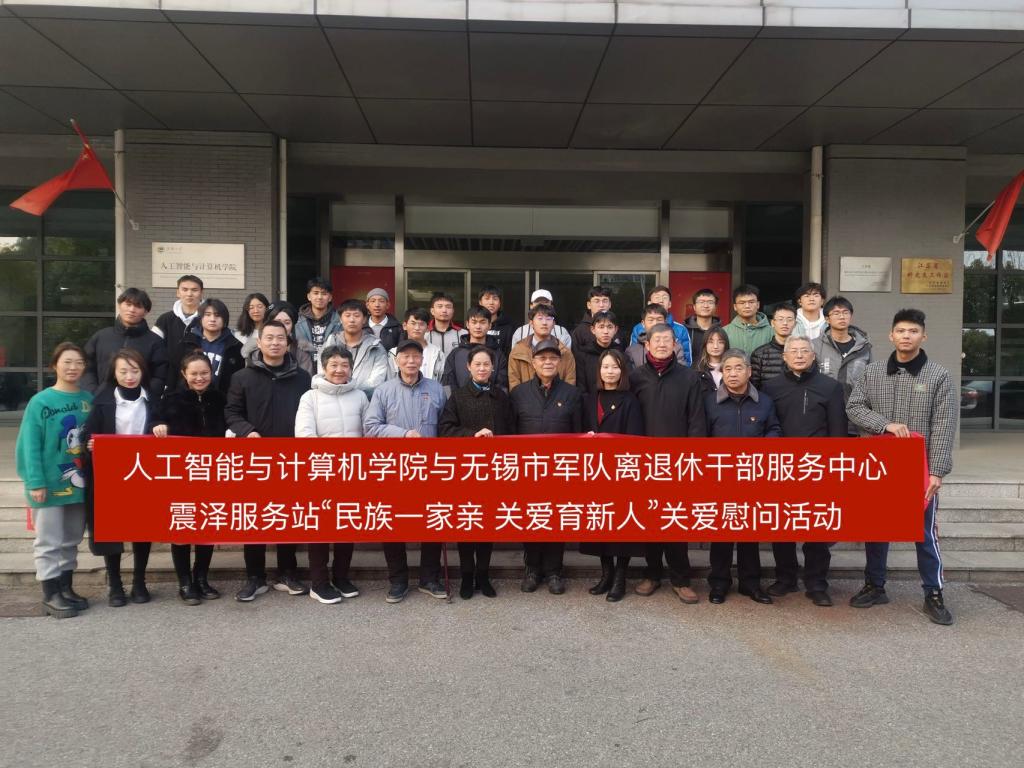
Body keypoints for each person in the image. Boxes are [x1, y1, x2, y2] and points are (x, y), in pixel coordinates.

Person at [846, 308, 958, 625]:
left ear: (923, 336)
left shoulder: (938, 376)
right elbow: (854, 407)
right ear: (891, 335)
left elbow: (944, 425)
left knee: (924, 533)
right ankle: (875, 585)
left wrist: (937, 471)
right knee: (876, 528)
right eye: (901, 331)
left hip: (918, 468)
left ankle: (933, 593)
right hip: (879, 465)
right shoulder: (873, 372)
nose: (906, 336)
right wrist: (885, 425)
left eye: (913, 331)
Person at [226, 320, 313, 602]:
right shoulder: (242, 377)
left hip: (291, 459)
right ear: (259, 342)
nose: (275, 343)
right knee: (254, 516)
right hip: (255, 459)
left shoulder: (302, 378)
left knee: (287, 515)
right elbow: (232, 413)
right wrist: (247, 431)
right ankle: (255, 576)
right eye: (270, 338)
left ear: (288, 343)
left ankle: (288, 573)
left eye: (280, 338)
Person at [761, 336, 847, 607]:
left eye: (804, 351)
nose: (799, 355)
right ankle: (785, 578)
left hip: (817, 468)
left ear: (813, 356)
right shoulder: (770, 387)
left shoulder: (830, 387)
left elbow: (838, 431)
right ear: (784, 357)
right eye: (793, 351)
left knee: (817, 526)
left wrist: (835, 467)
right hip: (782, 467)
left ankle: (817, 582)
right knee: (782, 526)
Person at [364, 339, 448, 604]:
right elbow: (371, 427)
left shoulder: (436, 389)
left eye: (416, 356)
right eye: (405, 356)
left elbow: (446, 426)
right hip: (393, 467)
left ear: (422, 360)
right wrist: (403, 434)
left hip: (430, 468)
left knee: (432, 522)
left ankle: (429, 578)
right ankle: (398, 580)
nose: (411, 361)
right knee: (393, 524)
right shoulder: (383, 391)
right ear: (396, 360)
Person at [629, 323, 706, 604]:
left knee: (675, 521)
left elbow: (697, 420)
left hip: (678, 462)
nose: (661, 344)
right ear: (646, 345)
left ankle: (681, 579)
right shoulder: (635, 377)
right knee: (650, 520)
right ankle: (651, 574)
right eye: (656, 340)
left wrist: (692, 459)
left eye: (667, 340)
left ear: (676, 345)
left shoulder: (689, 377)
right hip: (644, 463)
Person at [15, 343, 93, 619]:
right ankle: (50, 594)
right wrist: (35, 482)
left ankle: (66, 587)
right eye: (67, 362)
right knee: (48, 540)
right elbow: (29, 444)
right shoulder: (41, 402)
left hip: (79, 484)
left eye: (78, 362)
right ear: (54, 365)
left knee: (71, 539)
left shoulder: (88, 399)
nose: (73, 367)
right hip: (48, 484)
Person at [704, 348, 781, 605]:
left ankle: (751, 583)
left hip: (753, 476)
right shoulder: (710, 402)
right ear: (721, 374)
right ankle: (719, 583)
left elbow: (774, 430)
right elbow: (701, 438)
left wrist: (761, 450)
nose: (733, 373)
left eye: (738, 368)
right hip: (720, 477)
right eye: (727, 369)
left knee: (749, 533)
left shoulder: (764, 402)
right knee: (721, 533)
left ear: (749, 371)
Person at [81, 348, 156, 607]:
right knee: (111, 529)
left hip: (143, 474)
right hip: (110, 475)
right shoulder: (102, 400)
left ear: (142, 372)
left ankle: (139, 581)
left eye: (134, 371)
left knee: (142, 528)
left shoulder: (153, 399)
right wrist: (90, 445)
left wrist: (162, 428)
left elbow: (163, 425)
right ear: (114, 373)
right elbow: (87, 435)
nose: (129, 376)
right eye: (123, 371)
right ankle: (115, 584)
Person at [438, 344, 514, 599]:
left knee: (487, 526)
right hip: (466, 472)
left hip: (494, 472)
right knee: (467, 524)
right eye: (477, 364)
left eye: (486, 364)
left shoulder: (501, 397)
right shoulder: (458, 397)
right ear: (468, 367)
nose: (482, 368)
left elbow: (511, 431)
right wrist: (472, 435)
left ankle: (483, 574)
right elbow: (446, 430)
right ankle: (467, 575)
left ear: (493, 368)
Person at [295, 345, 369, 605]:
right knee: (320, 528)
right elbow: (304, 435)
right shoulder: (310, 397)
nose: (339, 370)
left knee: (346, 524)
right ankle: (319, 583)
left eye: (344, 365)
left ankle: (341, 577)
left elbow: (367, 432)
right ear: (324, 367)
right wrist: (330, 462)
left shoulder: (360, 396)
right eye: (334, 365)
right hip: (322, 472)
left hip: (352, 472)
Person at [151, 352, 227, 605]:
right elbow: (155, 420)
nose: (199, 378)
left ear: (211, 373)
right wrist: (159, 425)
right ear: (184, 374)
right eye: (194, 373)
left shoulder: (220, 398)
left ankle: (201, 578)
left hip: (212, 473)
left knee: (207, 527)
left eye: (204, 373)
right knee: (182, 527)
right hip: (181, 475)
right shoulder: (171, 399)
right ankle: (184, 582)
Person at [510, 338, 582, 595]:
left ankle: (554, 571)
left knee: (556, 520)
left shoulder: (572, 394)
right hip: (528, 470)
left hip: (561, 470)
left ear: (560, 362)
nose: (548, 362)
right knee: (531, 518)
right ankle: (532, 569)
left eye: (553, 358)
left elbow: (579, 434)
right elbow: (510, 433)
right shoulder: (519, 394)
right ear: (533, 362)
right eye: (542, 358)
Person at [581, 348, 644, 602]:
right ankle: (605, 574)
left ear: (622, 371)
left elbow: (635, 438)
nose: (610, 371)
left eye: (615, 367)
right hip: (595, 472)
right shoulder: (589, 399)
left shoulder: (630, 400)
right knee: (600, 526)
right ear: (599, 371)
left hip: (621, 473)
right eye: (605, 367)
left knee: (621, 528)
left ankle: (620, 577)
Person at [82, 287, 167, 398]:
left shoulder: (155, 341)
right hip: (100, 401)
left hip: (139, 404)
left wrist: (145, 398)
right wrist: (93, 392)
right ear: (119, 305)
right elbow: (86, 366)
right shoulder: (101, 336)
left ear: (146, 311)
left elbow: (159, 376)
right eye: (128, 304)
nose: (132, 310)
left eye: (138, 306)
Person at [813, 296, 873, 429]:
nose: (842, 317)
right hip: (823, 413)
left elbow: (870, 381)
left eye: (845, 312)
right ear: (827, 319)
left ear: (851, 316)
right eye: (836, 313)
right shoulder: (815, 345)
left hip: (856, 415)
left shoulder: (863, 347)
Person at [327, 298, 390, 399]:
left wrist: (349, 392)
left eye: (356, 315)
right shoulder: (330, 343)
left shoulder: (376, 347)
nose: (352, 320)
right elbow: (323, 373)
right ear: (340, 319)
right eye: (347, 315)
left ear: (364, 319)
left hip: (364, 402)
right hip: (332, 399)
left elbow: (376, 382)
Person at [179, 298, 244, 394]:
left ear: (225, 319)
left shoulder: (236, 346)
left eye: (217, 315)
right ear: (200, 318)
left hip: (222, 398)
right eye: (208, 315)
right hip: (189, 398)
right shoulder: (187, 342)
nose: (212, 319)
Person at [153, 274, 204, 392]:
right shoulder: (165, 319)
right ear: (178, 292)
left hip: (200, 380)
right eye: (185, 289)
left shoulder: (208, 319)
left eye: (194, 290)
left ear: (201, 293)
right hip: (169, 381)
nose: (189, 294)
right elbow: (154, 348)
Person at [508, 304, 576, 390]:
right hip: (525, 398)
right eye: (540, 318)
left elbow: (570, 385)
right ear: (531, 323)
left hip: (559, 398)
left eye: (548, 319)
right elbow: (514, 385)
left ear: (554, 324)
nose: (544, 323)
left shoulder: (565, 352)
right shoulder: (518, 351)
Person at [442, 305, 509, 392]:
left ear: (489, 325)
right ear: (467, 324)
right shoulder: (455, 354)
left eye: (482, 322)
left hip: (491, 400)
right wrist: (456, 399)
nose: (478, 326)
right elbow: (447, 384)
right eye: (474, 322)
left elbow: (502, 386)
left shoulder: (498, 354)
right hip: (459, 400)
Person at [240, 300, 314, 375]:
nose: (282, 327)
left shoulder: (301, 351)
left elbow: (306, 379)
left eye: (287, 323)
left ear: (292, 325)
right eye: (277, 322)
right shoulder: (253, 352)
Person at [628, 285, 692, 365]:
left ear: (669, 304)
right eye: (657, 297)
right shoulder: (638, 328)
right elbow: (632, 356)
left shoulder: (681, 329)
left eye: (664, 298)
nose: (661, 301)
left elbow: (686, 360)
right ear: (649, 303)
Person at [573, 310, 628, 396]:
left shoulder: (621, 354)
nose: (605, 331)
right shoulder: (583, 355)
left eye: (610, 327)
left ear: (615, 330)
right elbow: (581, 388)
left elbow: (626, 383)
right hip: (590, 402)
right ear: (593, 329)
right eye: (601, 327)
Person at [295, 276, 342, 370]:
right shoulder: (297, 320)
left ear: (330, 297)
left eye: (324, 293)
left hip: (332, 370)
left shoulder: (340, 320)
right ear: (309, 296)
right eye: (316, 293)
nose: (319, 297)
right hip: (303, 369)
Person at [388, 308, 444, 381]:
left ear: (428, 328)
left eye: (421, 324)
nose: (417, 328)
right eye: (413, 323)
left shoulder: (437, 353)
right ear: (404, 326)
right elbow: (390, 381)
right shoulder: (394, 353)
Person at [750, 302, 797, 389]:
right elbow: (754, 387)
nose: (785, 323)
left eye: (789, 319)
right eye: (780, 319)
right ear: (772, 323)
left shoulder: (802, 353)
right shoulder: (759, 354)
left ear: (795, 324)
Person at [625, 303, 687, 369]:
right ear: (643, 323)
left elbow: (681, 372)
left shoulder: (676, 347)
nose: (655, 323)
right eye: (651, 320)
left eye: (659, 320)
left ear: (665, 322)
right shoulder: (632, 351)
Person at [570, 286, 628, 351]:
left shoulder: (617, 329)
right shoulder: (579, 332)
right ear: (589, 305)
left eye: (605, 301)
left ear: (610, 304)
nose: (601, 305)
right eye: (597, 301)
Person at [723, 284, 772, 355]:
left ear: (758, 304)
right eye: (742, 303)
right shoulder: (725, 332)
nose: (747, 306)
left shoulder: (771, 332)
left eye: (751, 302)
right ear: (735, 307)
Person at [683, 288, 721, 361]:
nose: (705, 305)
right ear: (694, 307)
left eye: (710, 302)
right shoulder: (684, 331)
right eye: (701, 302)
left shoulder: (721, 331)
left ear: (715, 307)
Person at [477, 285, 515, 353]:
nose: (491, 302)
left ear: (500, 303)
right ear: (480, 302)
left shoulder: (509, 327)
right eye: (487, 298)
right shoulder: (474, 325)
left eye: (495, 299)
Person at [426, 292, 465, 357]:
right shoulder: (424, 333)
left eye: (448, 307)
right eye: (440, 306)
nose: (444, 310)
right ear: (432, 311)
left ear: (453, 311)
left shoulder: (463, 334)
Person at [695, 325, 729, 393]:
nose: (715, 346)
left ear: (725, 345)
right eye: (711, 342)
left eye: (720, 342)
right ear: (705, 345)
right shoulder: (696, 369)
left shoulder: (731, 368)